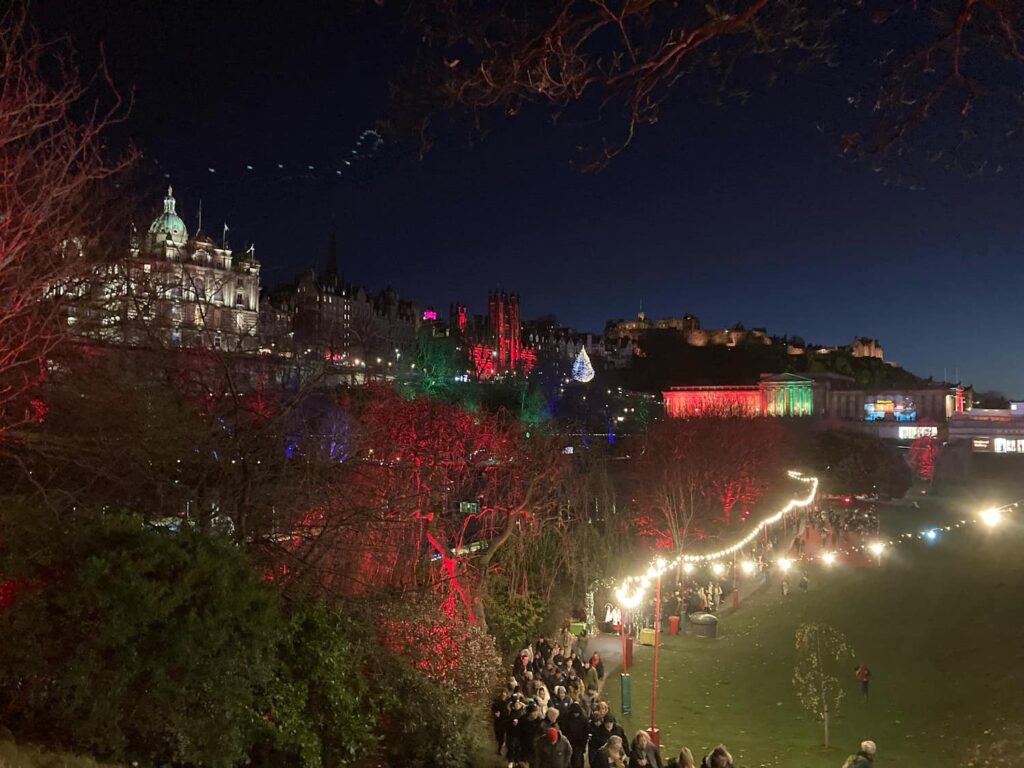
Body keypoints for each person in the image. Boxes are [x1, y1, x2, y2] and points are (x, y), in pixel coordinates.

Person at [559, 696, 589, 768]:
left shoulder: (583, 720)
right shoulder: (566, 718)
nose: (575, 715)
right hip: (569, 742)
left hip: (579, 744)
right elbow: (563, 729)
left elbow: (585, 733)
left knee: (577, 761)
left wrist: (583, 744)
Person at [491, 689, 510, 753]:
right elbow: (493, 709)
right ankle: (500, 745)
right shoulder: (496, 702)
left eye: (505, 695)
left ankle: (500, 748)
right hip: (498, 720)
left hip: (505, 720)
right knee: (498, 734)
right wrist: (495, 713)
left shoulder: (508, 703)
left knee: (502, 735)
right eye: (502, 695)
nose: (503, 696)